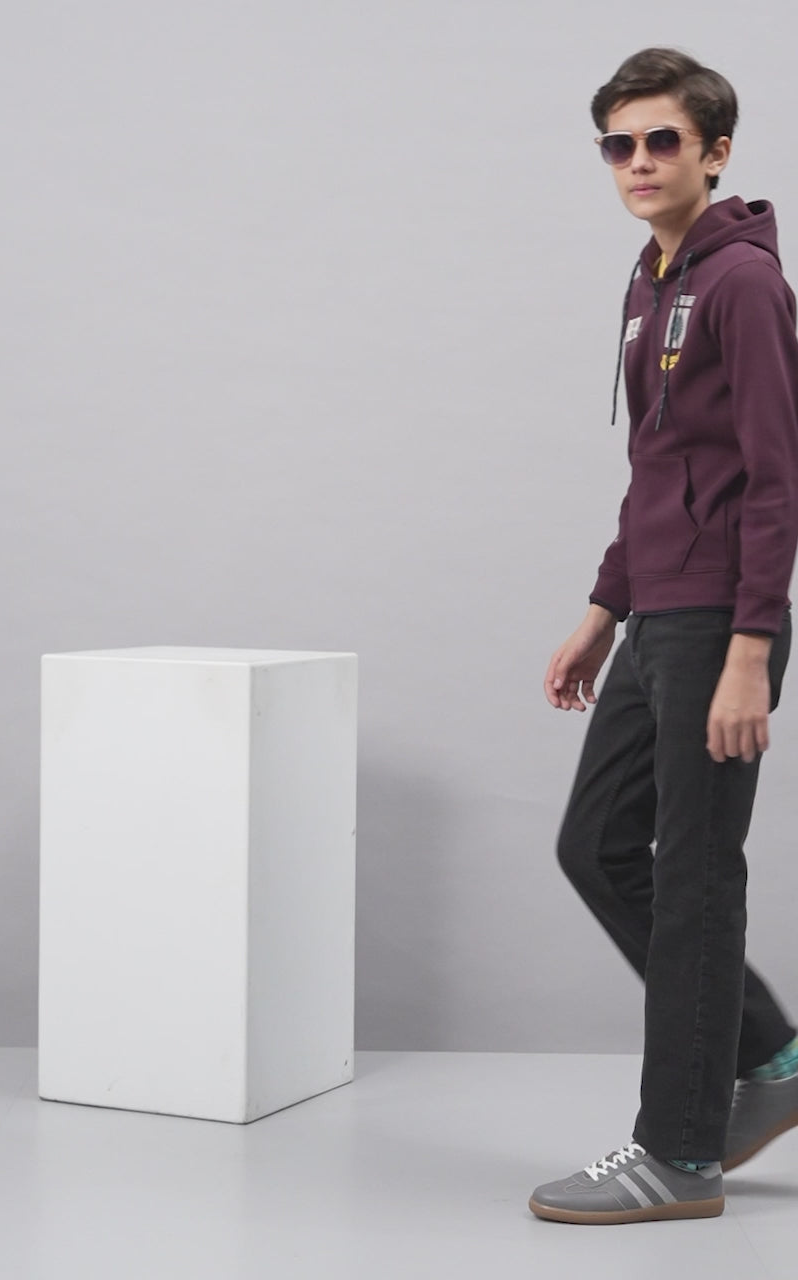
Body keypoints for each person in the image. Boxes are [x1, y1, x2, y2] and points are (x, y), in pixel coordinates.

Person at [529, 47, 798, 1225]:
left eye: (662, 141)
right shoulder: (651, 281)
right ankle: (772, 1054)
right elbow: (657, 467)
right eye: (619, 145)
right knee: (598, 845)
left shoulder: (743, 284)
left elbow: (778, 479)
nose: (638, 162)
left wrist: (752, 647)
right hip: (658, 614)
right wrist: (604, 608)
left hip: (720, 621)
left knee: (693, 876)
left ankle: (680, 1154)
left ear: (715, 151)